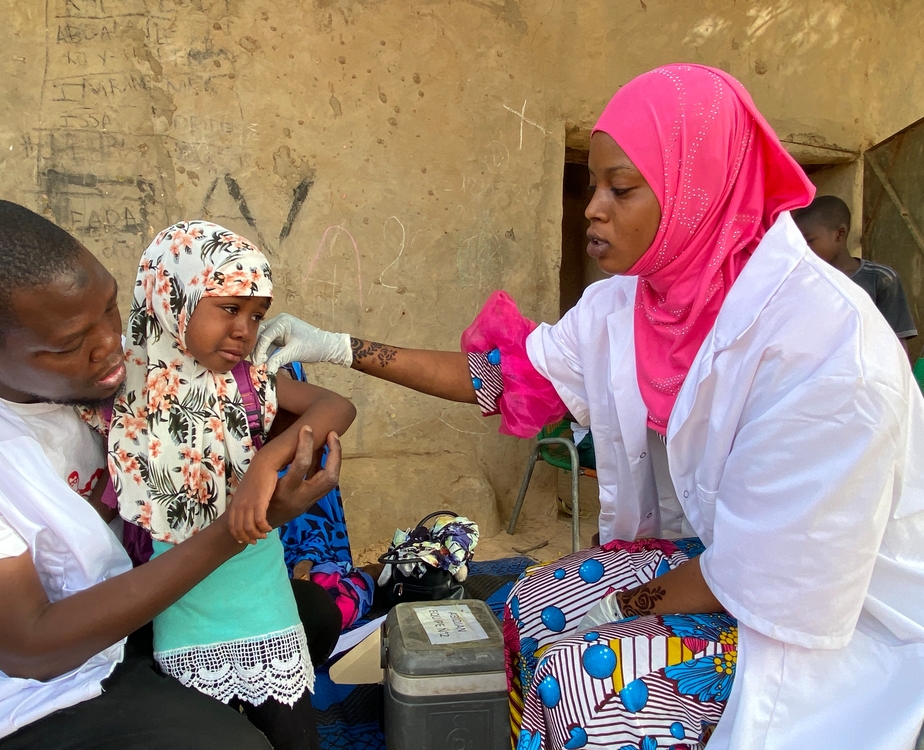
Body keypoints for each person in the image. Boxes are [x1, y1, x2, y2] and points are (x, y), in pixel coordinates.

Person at [254, 64, 924, 749]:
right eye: (594, 185)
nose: (593, 208)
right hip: (722, 559)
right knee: (527, 606)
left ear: (698, 193)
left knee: (579, 679)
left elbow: (766, 581)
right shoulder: (629, 305)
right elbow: (497, 377)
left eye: (621, 189)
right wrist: (340, 345)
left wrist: (617, 611)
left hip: (825, 621)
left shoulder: (826, 348)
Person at [0, 200, 342, 750]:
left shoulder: (138, 367)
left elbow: (302, 409)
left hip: (123, 612)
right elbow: (31, 647)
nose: (110, 348)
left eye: (111, 309)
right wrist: (243, 525)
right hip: (19, 686)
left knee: (310, 615)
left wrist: (267, 461)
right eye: (72, 344)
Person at [92, 221, 356, 750]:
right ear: (173, 295)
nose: (246, 330)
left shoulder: (246, 380)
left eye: (257, 316)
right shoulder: (118, 386)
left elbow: (338, 407)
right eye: (229, 309)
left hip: (257, 592)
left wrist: (266, 464)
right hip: (173, 600)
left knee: (293, 734)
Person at [278, 362, 375, 630]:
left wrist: (305, 562)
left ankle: (380, 575)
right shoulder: (242, 467)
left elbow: (318, 533)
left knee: (330, 604)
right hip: (262, 585)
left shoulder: (312, 460)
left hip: (310, 574)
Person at [793, 195, 917, 353]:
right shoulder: (801, 281)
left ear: (839, 234)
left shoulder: (880, 279)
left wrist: (901, 378)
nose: (804, 249)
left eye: (809, 241)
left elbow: (897, 344)